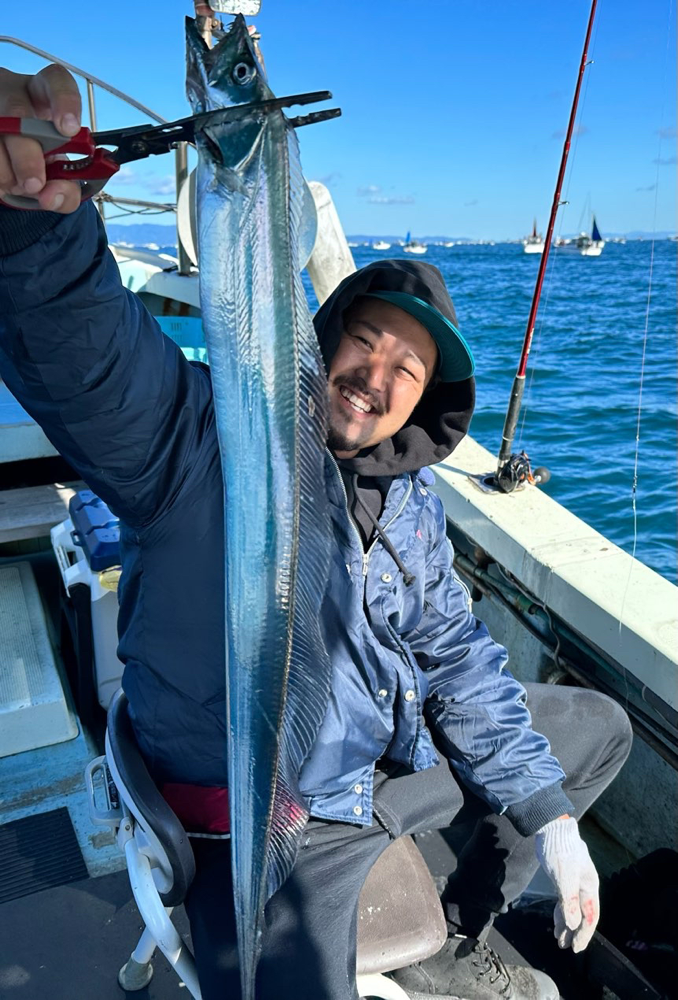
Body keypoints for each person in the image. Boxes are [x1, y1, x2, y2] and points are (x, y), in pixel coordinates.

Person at [0, 64, 633, 1000]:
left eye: (406, 371)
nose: (376, 378)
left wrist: (553, 820)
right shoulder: (200, 440)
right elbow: (86, 358)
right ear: (319, 339)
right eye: (364, 344)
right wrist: (40, 226)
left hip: (380, 766)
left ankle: (459, 927)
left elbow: (455, 655)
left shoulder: (410, 500)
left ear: (424, 404)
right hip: (267, 816)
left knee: (599, 731)